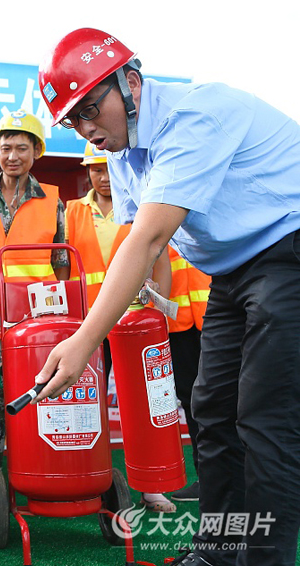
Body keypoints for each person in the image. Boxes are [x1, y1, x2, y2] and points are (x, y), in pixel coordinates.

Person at [36, 28, 300, 566]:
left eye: (90, 109)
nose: (87, 130)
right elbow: (137, 246)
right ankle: (218, 554)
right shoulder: (123, 147)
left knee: (263, 416)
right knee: (212, 409)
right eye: (73, 121)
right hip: (233, 271)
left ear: (130, 83)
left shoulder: (195, 115)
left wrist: (86, 341)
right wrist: (142, 304)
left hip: (288, 249)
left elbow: (151, 237)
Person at [0, 110, 68, 516]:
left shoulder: (53, 201)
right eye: (5, 147)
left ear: (36, 151)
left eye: (22, 147)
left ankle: (37, 478)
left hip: (35, 329)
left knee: (35, 405)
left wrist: (58, 325)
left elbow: (61, 265)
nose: (13, 155)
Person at [65, 141, 174, 513]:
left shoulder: (143, 208)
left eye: (105, 168)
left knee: (142, 405)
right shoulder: (72, 212)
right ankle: (91, 481)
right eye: (94, 169)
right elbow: (63, 268)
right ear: (87, 173)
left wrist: (156, 314)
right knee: (88, 407)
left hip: (132, 324)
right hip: (89, 325)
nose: (102, 176)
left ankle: (151, 486)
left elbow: (159, 257)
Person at [166, 248, 210, 503]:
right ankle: (208, 479)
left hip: (223, 315)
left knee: (238, 399)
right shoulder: (158, 208)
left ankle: (250, 477)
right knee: (193, 400)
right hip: (179, 321)